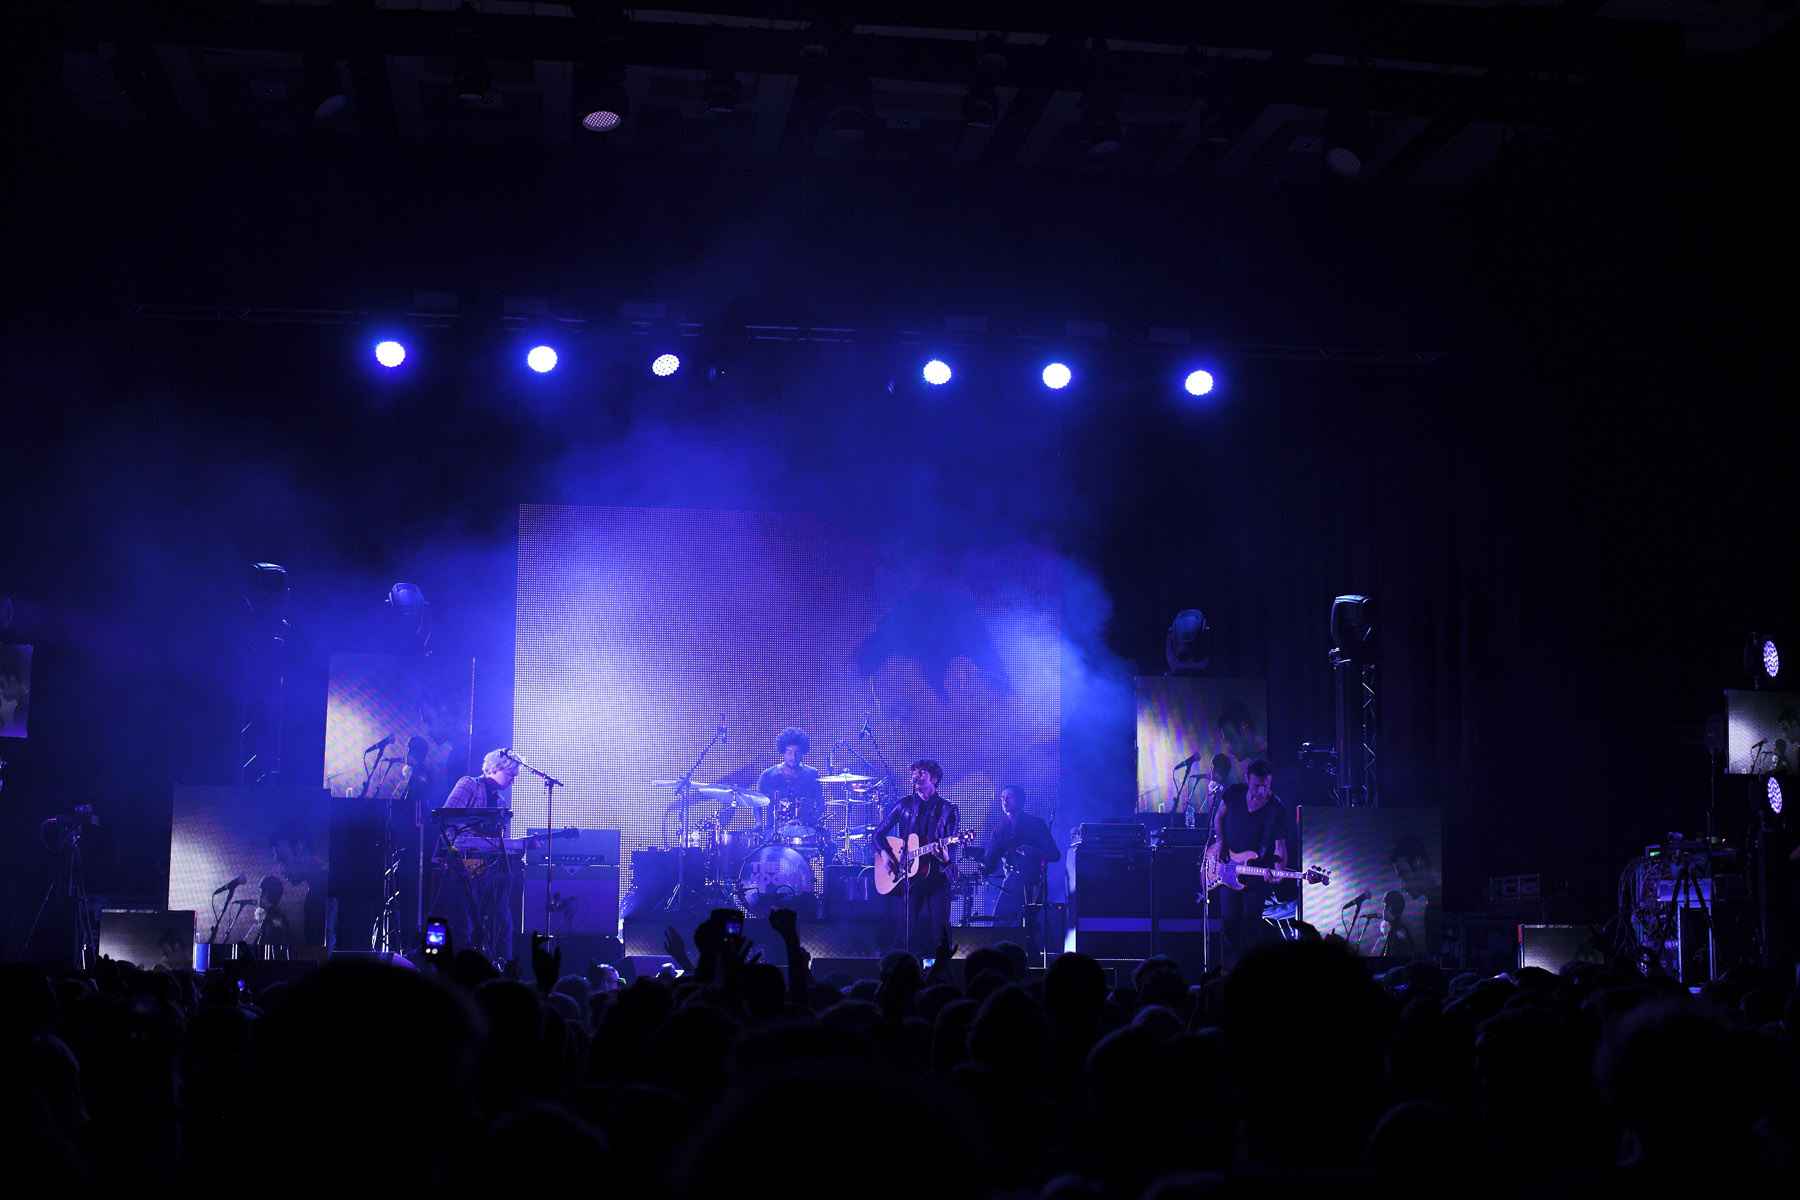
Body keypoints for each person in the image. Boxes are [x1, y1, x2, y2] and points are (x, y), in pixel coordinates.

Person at [436, 748, 524, 964]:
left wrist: (521, 846)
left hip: (488, 869)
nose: (513, 781)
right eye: (510, 775)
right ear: (495, 768)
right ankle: (464, 967)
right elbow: (447, 819)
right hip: (462, 863)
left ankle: (502, 968)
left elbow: (499, 844)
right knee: (463, 924)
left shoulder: (501, 803)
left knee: (503, 925)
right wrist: (474, 838)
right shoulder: (469, 784)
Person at [1208, 758, 1289, 967]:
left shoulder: (1276, 808)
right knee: (1229, 925)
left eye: (1266, 786)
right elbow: (1219, 817)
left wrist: (1279, 873)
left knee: (1251, 930)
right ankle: (1228, 973)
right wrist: (1220, 841)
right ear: (1247, 779)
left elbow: (1280, 847)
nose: (1261, 791)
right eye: (1256, 785)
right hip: (1227, 869)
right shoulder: (1233, 793)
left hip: (1256, 875)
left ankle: (1250, 975)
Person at [874, 758, 959, 953]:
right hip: (910, 879)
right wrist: (885, 855)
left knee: (940, 934)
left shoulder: (948, 809)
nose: (915, 776)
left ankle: (942, 968)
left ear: (934, 779)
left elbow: (953, 847)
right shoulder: (904, 805)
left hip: (937, 879)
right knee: (904, 934)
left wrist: (945, 857)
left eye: (921, 773)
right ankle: (897, 968)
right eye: (914, 772)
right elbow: (877, 834)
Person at [975, 784, 1059, 924]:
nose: (1005, 801)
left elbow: (1055, 854)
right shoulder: (999, 830)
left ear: (1021, 800)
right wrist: (981, 862)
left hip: (1034, 884)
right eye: (1002, 798)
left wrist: (1033, 851)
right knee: (999, 924)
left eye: (1010, 797)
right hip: (1010, 884)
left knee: (1029, 927)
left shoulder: (1036, 824)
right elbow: (991, 864)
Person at [756, 726, 824, 841]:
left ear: (803, 753)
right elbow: (756, 803)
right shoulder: (768, 775)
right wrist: (759, 824)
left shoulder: (812, 774)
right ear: (783, 752)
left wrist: (813, 820)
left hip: (806, 830)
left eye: (797, 753)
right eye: (789, 752)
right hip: (774, 831)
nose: (793, 757)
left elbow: (821, 803)